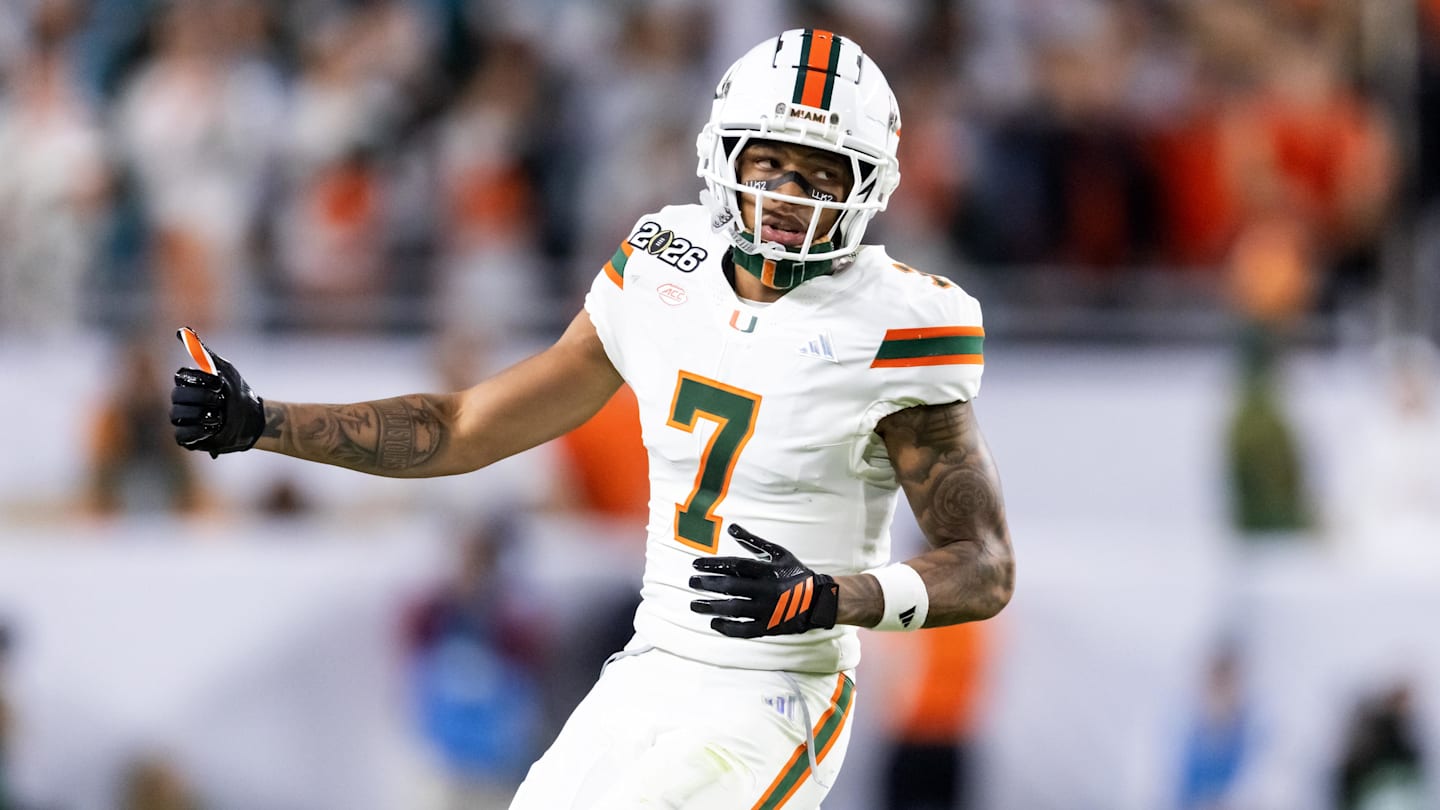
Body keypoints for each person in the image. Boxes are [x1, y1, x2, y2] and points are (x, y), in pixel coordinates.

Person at [170, 29, 1015, 809]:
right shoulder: (662, 264)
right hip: (650, 666)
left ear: (865, 185)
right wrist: (262, 421)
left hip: (776, 694)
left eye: (822, 173)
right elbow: (465, 425)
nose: (790, 193)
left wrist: (833, 596)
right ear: (726, 156)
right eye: (771, 164)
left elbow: (983, 565)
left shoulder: (900, 322)